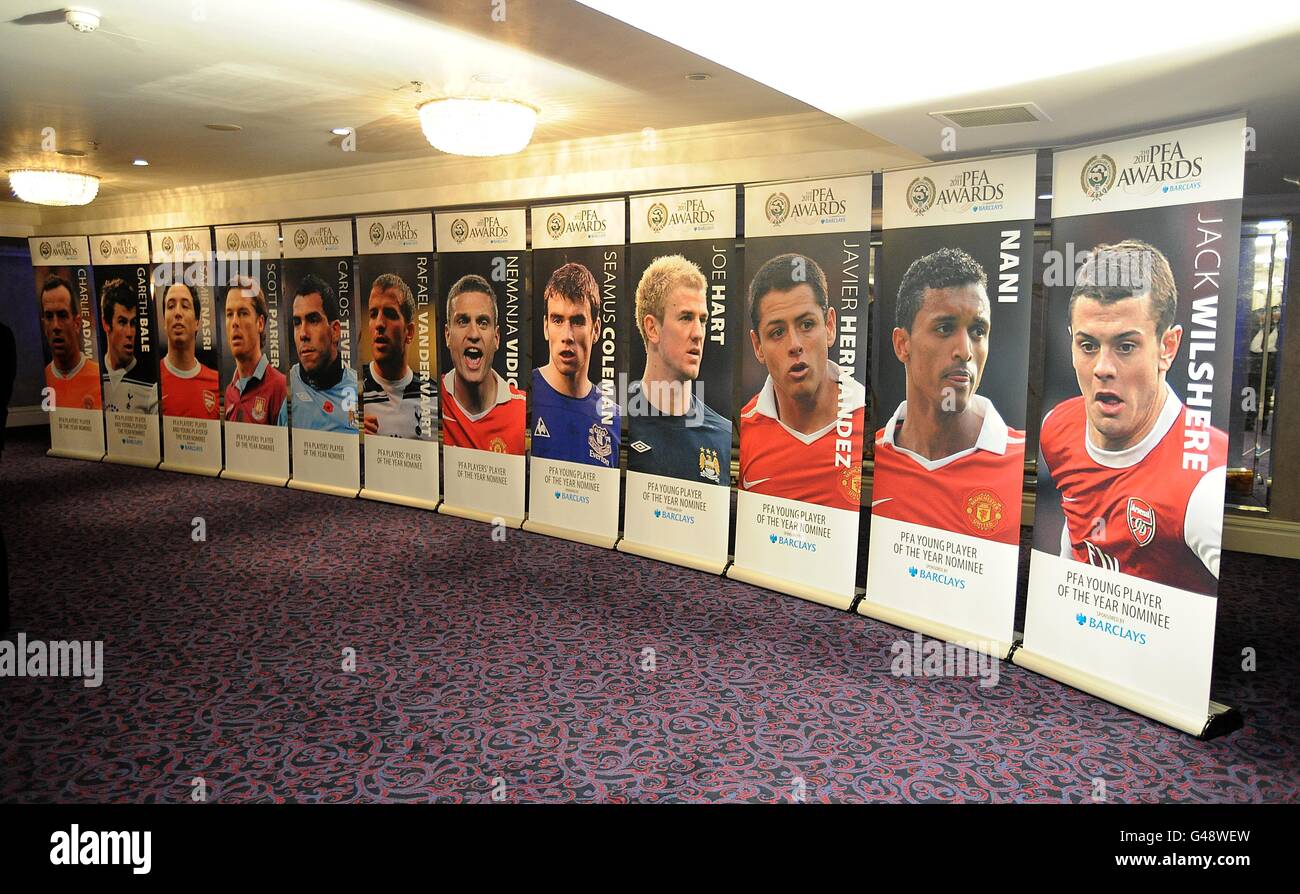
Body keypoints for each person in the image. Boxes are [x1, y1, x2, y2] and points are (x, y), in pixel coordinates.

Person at [1039, 239, 1227, 595]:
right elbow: (1076, 540)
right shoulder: (1058, 427)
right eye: (1088, 345)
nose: (1103, 368)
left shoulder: (1205, 485)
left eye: (1126, 346)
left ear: (1167, 348)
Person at [871, 248, 1024, 543]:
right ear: (902, 344)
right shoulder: (869, 459)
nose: (965, 350)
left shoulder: (1024, 465)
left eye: (978, 331)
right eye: (944, 328)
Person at [739, 253, 865, 511]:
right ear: (758, 346)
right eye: (777, 332)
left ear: (829, 326)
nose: (795, 345)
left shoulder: (869, 421)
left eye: (807, 324)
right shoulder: (745, 426)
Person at [626, 255, 731, 485]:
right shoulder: (615, 424)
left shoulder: (723, 435)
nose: (698, 333)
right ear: (652, 328)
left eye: (702, 320)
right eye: (685, 318)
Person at [530, 262, 619, 468]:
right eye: (557, 320)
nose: (567, 336)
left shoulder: (611, 417)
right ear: (545, 327)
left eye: (577, 321)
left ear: (596, 329)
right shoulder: (524, 396)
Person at [440, 274, 525, 454]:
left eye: (483, 322)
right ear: (448, 335)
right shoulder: (430, 399)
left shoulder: (521, 410)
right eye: (463, 321)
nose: (474, 334)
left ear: (496, 338)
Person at [277, 273, 358, 432]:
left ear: (335, 331)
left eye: (313, 320)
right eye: (297, 323)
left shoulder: (357, 390)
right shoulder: (283, 388)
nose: (303, 334)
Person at [361, 273, 436, 440]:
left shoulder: (432, 396)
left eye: (390, 313)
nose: (379, 324)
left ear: (409, 332)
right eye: (373, 314)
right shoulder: (354, 390)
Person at [223, 277, 287, 425]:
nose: (234, 323)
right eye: (229, 314)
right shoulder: (229, 392)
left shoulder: (279, 388)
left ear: (260, 323)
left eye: (243, 313)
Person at [39, 276, 101, 411]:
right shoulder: (41, 381)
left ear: (77, 323)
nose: (55, 326)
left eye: (62, 315)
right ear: (44, 326)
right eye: (49, 317)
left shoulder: (99, 379)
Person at [158, 282, 220, 419]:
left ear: (197, 322)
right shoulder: (152, 382)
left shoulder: (216, 383)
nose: (178, 313)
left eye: (185, 306)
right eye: (171, 306)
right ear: (164, 321)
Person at [99, 277, 158, 414]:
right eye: (122, 322)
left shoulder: (150, 384)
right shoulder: (94, 374)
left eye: (133, 323)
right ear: (106, 324)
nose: (130, 332)